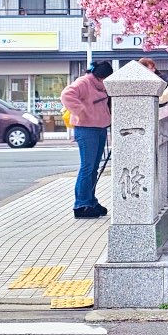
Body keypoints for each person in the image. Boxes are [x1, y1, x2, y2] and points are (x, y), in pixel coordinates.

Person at [60, 61, 113, 219]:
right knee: (87, 167)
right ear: (100, 76)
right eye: (105, 79)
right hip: (86, 129)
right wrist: (81, 111)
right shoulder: (84, 82)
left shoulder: (100, 85)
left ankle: (90, 200)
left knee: (94, 168)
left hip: (100, 128)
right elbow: (66, 95)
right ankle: (81, 204)